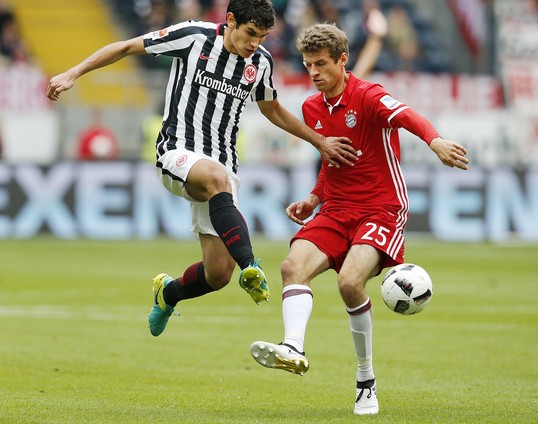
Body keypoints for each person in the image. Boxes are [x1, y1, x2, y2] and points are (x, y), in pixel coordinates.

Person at [46, 0, 358, 337]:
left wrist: (319, 141)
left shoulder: (261, 63)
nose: (254, 44)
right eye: (250, 34)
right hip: (176, 153)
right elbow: (125, 47)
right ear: (230, 20)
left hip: (222, 169)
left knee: (217, 274)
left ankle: (168, 293)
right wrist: (72, 72)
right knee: (215, 180)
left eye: (262, 37)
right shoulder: (193, 36)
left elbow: (273, 110)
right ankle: (251, 266)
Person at [249, 23, 469, 415]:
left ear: (342, 61)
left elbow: (408, 117)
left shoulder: (368, 96)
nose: (313, 72)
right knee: (291, 268)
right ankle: (293, 348)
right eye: (308, 64)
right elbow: (331, 159)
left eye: (321, 64)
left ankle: (365, 380)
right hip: (335, 208)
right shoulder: (311, 108)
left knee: (351, 283)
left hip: (381, 207)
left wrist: (434, 141)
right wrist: (314, 197)